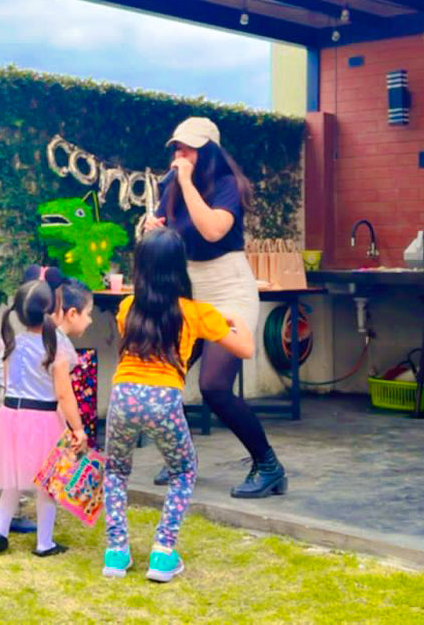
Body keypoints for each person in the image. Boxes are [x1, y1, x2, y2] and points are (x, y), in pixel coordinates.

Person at [141, 116, 287, 499]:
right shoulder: (169, 186)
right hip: (189, 293)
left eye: (187, 148)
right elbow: (169, 237)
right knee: (162, 378)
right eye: (176, 147)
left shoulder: (228, 186)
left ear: (208, 152)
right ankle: (180, 458)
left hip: (230, 293)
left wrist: (186, 182)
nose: (179, 154)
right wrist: (150, 229)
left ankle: (268, 465)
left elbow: (211, 231)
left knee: (214, 387)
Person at [103, 228, 254, 583]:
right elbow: (245, 348)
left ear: (140, 268)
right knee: (183, 471)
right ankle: (162, 553)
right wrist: (235, 318)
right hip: (164, 397)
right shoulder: (195, 313)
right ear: (180, 268)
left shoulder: (126, 308)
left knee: (115, 472)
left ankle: (116, 552)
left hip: (123, 393)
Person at [0, 278, 90, 556]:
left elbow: (9, 380)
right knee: (48, 484)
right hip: (41, 419)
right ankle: (44, 543)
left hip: (9, 415)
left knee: (11, 480)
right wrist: (78, 429)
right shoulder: (56, 348)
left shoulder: (10, 343)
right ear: (52, 310)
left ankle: (0, 530)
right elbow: (64, 396)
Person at [0, 265, 69, 531]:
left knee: (5, 454)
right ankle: (13, 513)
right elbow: (60, 391)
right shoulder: (52, 338)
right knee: (19, 458)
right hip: (2, 396)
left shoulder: (17, 335)